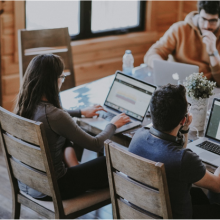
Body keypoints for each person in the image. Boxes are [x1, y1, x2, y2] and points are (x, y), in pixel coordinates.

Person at [15, 54, 130, 201]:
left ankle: (75, 167)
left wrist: (81, 112)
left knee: (64, 138)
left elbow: (53, 117)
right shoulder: (54, 116)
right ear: (52, 80)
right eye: (62, 77)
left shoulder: (25, 104)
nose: (62, 81)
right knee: (108, 162)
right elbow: (95, 144)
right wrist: (113, 124)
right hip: (55, 187)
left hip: (28, 182)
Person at [128, 84, 220, 219]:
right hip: (174, 216)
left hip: (143, 211)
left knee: (199, 194)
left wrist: (185, 129)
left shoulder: (138, 136)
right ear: (183, 119)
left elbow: (175, 153)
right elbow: (217, 185)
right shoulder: (184, 159)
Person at [144, 1, 220, 85]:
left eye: (213, 21)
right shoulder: (179, 29)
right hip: (175, 83)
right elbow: (152, 54)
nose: (206, 26)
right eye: (203, 19)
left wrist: (213, 52)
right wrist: (163, 69)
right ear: (198, 14)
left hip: (205, 88)